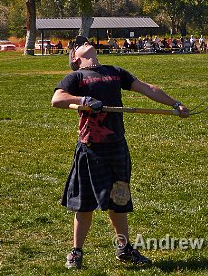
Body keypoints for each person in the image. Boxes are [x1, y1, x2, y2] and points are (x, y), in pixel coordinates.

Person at [51, 40, 189, 270]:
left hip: (116, 146)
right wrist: (83, 101)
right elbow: (57, 99)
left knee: (119, 198)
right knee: (84, 204)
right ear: (75, 59)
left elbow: (147, 88)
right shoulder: (76, 77)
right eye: (78, 46)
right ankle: (76, 252)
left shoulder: (115, 72)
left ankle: (124, 249)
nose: (83, 43)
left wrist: (176, 104)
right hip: (90, 148)